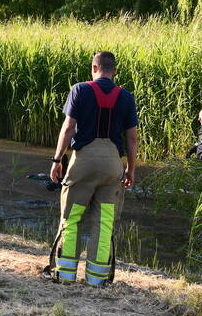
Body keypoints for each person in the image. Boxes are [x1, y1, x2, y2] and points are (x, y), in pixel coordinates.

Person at [46, 51, 139, 287]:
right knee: (105, 222)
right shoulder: (126, 97)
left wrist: (57, 160)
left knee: (72, 217)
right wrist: (130, 169)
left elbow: (68, 128)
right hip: (112, 165)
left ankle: (65, 275)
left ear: (94, 68)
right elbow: (132, 138)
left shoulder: (80, 89)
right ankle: (97, 280)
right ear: (114, 71)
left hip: (84, 162)